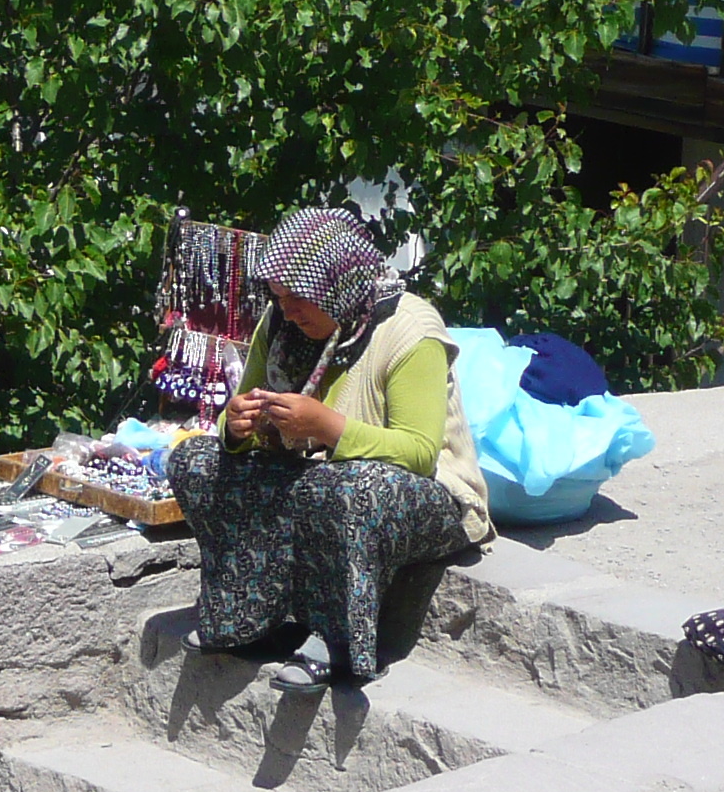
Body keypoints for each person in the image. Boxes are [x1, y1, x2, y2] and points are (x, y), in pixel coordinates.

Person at [165, 206, 492, 690]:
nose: (288, 311)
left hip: (427, 496)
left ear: (335, 286)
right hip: (316, 476)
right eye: (279, 298)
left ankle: (337, 641)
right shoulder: (281, 325)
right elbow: (244, 420)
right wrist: (235, 427)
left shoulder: (410, 330)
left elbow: (420, 452)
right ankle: (248, 617)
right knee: (195, 462)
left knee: (341, 488)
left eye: (298, 299)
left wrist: (328, 427)